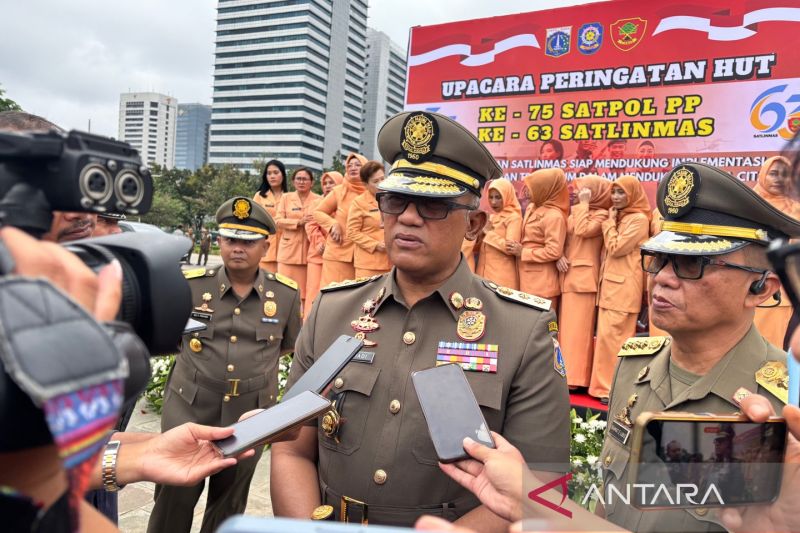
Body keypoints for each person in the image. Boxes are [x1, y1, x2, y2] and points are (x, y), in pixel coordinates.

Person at [421, 162, 800, 533]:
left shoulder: (785, 406)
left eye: (692, 264)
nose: (664, 278)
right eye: (660, 259)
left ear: (762, 288)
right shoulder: (636, 366)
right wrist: (529, 499)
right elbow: (609, 508)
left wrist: (530, 501)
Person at [271, 111, 569, 530]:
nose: (408, 218)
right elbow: (291, 449)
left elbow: (544, 485)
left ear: (474, 224)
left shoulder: (523, 329)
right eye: (395, 200)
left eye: (433, 205)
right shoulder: (333, 309)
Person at [147, 197, 302, 533]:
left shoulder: (286, 295)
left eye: (248, 241)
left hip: (249, 413)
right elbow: (173, 338)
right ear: (219, 241)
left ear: (266, 246)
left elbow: (288, 345)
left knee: (230, 502)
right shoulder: (191, 285)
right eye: (231, 239)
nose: (238, 248)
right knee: (174, 495)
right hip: (190, 405)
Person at [588, 175, 651, 402]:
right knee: (606, 340)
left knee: (615, 340)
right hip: (612, 288)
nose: (615, 197)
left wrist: (607, 224)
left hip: (623, 289)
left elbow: (616, 248)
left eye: (621, 192)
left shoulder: (638, 220)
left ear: (632, 194)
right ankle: (604, 387)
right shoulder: (620, 217)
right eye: (614, 192)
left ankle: (610, 389)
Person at [558, 175, 611, 390]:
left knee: (578, 332)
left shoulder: (601, 215)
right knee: (567, 330)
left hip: (583, 278)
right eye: (579, 190)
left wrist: (584, 204)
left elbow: (582, 230)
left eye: (584, 190)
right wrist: (559, 254)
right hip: (567, 275)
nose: (579, 193)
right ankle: (565, 375)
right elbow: (569, 238)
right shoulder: (579, 211)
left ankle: (575, 379)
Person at [752, 155, 799, 349]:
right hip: (746, 288)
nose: (779, 179)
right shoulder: (747, 207)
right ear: (762, 175)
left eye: (784, 175)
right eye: (773, 174)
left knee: (776, 353)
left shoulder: (796, 210)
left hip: (785, 295)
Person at [508, 168, 569, 313]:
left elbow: (554, 250)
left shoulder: (554, 216)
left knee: (543, 326)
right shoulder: (531, 208)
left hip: (542, 283)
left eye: (531, 188)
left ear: (544, 189)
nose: (526, 192)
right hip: (526, 277)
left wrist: (524, 252)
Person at [314, 152, 367, 287]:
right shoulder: (338, 191)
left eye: (357, 165)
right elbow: (318, 212)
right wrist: (333, 224)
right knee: (333, 294)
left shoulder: (373, 192)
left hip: (364, 255)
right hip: (337, 252)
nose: (353, 168)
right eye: (349, 165)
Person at [276, 167, 320, 310]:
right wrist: (298, 222)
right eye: (298, 179)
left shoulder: (319, 199)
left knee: (305, 293)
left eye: (305, 179)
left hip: (309, 252)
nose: (301, 182)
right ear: (293, 182)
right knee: (284, 291)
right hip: (288, 252)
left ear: (312, 182)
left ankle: (301, 323)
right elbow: (277, 220)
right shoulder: (286, 198)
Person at [304, 171, 343, 319]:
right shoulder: (316, 203)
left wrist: (329, 244)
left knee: (331, 293)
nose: (327, 186)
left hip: (336, 256)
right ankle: (308, 324)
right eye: (325, 183)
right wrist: (319, 243)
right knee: (313, 293)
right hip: (317, 255)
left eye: (331, 182)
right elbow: (311, 226)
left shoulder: (343, 204)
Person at [346, 160, 391, 278]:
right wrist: (375, 245)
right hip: (368, 264)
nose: (381, 183)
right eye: (376, 181)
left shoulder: (393, 199)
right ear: (365, 184)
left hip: (392, 262)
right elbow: (352, 232)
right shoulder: (359, 203)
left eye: (383, 178)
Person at [476, 178, 522, 290]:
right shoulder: (492, 217)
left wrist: (488, 232)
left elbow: (510, 248)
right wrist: (480, 234)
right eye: (491, 197)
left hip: (502, 277)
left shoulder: (514, 218)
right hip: (483, 275)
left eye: (498, 197)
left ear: (507, 195)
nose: (493, 202)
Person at [253, 159, 288, 273]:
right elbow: (254, 219)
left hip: (286, 248)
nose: (272, 176)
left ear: (283, 175)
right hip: (265, 245)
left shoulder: (289, 196)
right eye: (269, 173)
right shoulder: (259, 196)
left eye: (276, 172)